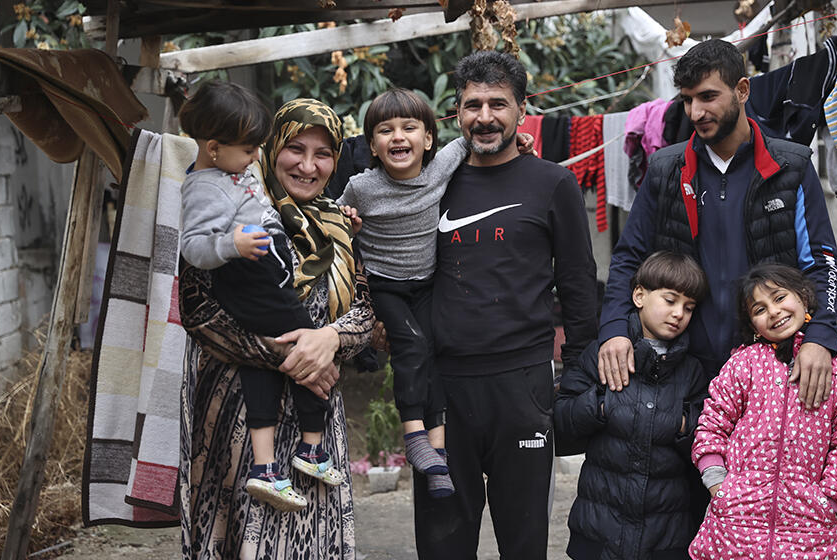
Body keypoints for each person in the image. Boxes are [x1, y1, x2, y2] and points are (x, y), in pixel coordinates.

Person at [413, 50, 598, 559]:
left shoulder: (553, 184)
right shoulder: (432, 183)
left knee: (523, 545)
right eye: (473, 104)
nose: (485, 117)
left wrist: (577, 377)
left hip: (524, 388)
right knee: (443, 545)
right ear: (456, 112)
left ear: (523, 110)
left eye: (499, 103)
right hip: (442, 392)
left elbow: (580, 285)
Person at [598, 39, 837, 411]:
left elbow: (822, 263)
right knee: (693, 467)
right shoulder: (666, 169)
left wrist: (820, 336)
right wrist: (614, 328)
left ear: (742, 90)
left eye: (708, 97)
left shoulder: (791, 166)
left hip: (773, 364)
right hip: (683, 369)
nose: (696, 112)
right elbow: (629, 258)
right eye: (687, 99)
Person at [178, 98, 375, 559]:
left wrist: (329, 339)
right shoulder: (234, 210)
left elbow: (366, 312)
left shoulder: (341, 228)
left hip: (318, 431)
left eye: (323, 153)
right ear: (270, 149)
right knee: (245, 538)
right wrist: (294, 357)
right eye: (295, 149)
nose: (308, 165)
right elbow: (196, 310)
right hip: (238, 413)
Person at [336, 88, 468, 497]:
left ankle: (439, 455)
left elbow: (470, 136)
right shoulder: (361, 187)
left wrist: (521, 139)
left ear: (428, 139)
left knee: (436, 351)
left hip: (427, 283)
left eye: (409, 127)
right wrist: (347, 220)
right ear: (371, 145)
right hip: (385, 285)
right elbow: (333, 217)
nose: (398, 136)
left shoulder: (439, 169)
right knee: (410, 348)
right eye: (385, 130)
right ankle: (414, 435)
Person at [690, 263, 837, 558]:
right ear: (752, 325)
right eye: (759, 310)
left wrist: (830, 501)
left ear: (803, 296)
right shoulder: (743, 365)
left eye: (779, 298)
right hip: (736, 521)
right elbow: (713, 423)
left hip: (809, 524)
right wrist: (718, 485)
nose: (773, 312)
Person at [554, 251, 710, 560]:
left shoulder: (692, 370)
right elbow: (561, 420)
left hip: (665, 537)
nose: (679, 313)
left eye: (688, 307)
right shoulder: (603, 354)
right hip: (599, 532)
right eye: (670, 300)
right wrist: (601, 406)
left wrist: (681, 425)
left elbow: (707, 438)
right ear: (639, 295)